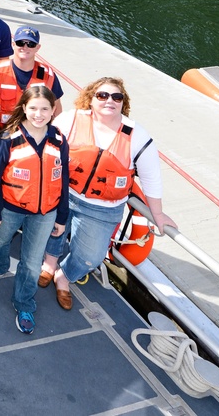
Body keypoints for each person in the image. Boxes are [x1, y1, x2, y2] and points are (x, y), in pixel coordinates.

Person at [39, 77, 177, 311]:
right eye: (102, 95)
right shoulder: (70, 120)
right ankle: (49, 264)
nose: (109, 100)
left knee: (91, 257)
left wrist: (158, 214)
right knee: (53, 232)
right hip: (63, 194)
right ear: (90, 99)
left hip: (102, 207)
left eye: (116, 97)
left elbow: (152, 178)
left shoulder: (137, 137)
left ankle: (65, 275)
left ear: (123, 102)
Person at [0, 87, 69, 335]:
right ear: (24, 108)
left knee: (31, 262)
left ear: (52, 111)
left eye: (45, 109)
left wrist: (61, 216)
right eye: (33, 108)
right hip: (10, 207)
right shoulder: (7, 139)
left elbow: (63, 180)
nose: (39, 114)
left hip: (45, 212)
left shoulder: (59, 140)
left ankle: (24, 302)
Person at [0, 25, 64, 224]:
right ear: (13, 44)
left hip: (34, 133)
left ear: (37, 47)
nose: (25, 47)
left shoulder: (47, 75)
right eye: (21, 43)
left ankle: (20, 204)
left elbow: (57, 108)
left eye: (30, 44)